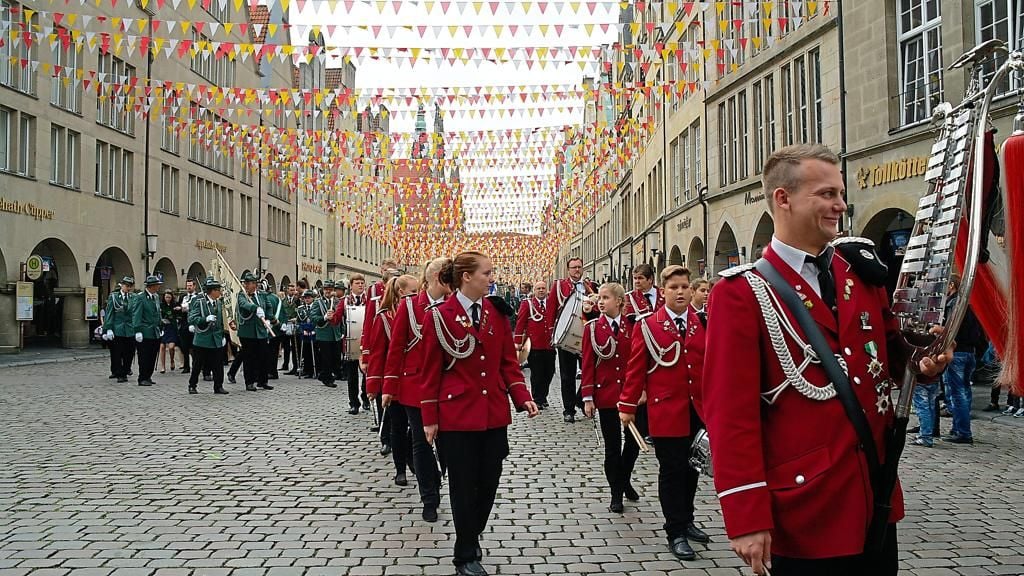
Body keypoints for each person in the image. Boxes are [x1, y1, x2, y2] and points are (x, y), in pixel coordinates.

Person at [702, 144, 953, 576]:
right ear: (784, 199)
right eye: (826, 194)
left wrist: (923, 362)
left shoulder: (860, 273)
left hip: (874, 494)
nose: (840, 204)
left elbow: (889, 355)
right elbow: (730, 416)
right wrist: (746, 516)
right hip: (805, 510)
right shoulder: (741, 294)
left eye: (840, 192)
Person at [419, 251, 539, 576]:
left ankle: (471, 534)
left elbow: (507, 364)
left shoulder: (496, 313)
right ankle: (465, 554)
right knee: (461, 484)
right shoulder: (440, 316)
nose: (491, 277)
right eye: (486, 273)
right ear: (466, 277)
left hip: (493, 413)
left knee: (489, 481)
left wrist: (522, 396)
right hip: (456, 415)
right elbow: (429, 371)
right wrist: (429, 417)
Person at [619, 265, 708, 561]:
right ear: (663, 291)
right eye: (674, 288)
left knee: (693, 468)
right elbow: (636, 369)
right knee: (672, 471)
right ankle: (675, 531)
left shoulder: (701, 322)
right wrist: (628, 406)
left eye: (685, 287)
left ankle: (688, 519)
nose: (681, 292)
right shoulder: (649, 325)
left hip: (698, 410)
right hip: (667, 410)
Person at [384, 259, 450, 522]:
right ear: (435, 276)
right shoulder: (410, 306)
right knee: (421, 442)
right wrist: (389, 386)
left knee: (446, 444)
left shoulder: (453, 306)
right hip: (415, 386)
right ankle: (429, 497)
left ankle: (439, 476)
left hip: (446, 386)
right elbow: (396, 348)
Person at [581, 282, 640, 514]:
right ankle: (617, 491)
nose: (601, 302)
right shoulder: (592, 328)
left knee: (634, 444)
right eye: (600, 298)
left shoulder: (634, 326)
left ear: (619, 301)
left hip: (631, 394)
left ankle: (623, 479)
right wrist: (587, 397)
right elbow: (587, 364)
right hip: (605, 394)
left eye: (606, 298)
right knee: (612, 447)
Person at [366, 274, 421, 480]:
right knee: (397, 427)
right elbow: (377, 353)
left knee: (415, 428)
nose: (418, 296)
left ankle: (412, 457)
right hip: (394, 381)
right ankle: (400, 469)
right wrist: (373, 385)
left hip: (414, 380)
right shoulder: (384, 317)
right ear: (401, 292)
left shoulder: (419, 311)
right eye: (413, 292)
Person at [546, 256, 595, 422]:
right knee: (567, 375)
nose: (577, 270)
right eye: (573, 267)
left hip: (587, 338)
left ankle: (580, 399)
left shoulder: (591, 287)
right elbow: (551, 311)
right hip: (566, 337)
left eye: (579, 267)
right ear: (568, 270)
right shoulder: (559, 286)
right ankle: (568, 410)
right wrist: (554, 335)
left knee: (591, 372)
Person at [513, 281, 555, 409]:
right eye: (538, 289)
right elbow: (520, 323)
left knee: (549, 372)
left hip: (550, 344)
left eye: (543, 288)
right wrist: (518, 342)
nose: (541, 290)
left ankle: (543, 395)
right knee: (537, 374)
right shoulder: (528, 304)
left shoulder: (552, 304)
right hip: (534, 345)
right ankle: (538, 398)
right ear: (534, 291)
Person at [187, 277, 228, 395]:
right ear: (212, 291)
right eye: (218, 290)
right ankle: (192, 385)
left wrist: (222, 336)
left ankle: (218, 386)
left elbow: (220, 322)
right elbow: (192, 318)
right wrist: (205, 319)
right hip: (203, 339)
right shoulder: (199, 302)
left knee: (218, 365)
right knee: (197, 364)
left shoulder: (219, 303)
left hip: (216, 339)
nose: (220, 292)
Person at [236, 271, 273, 392]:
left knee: (264, 356)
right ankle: (250, 382)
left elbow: (268, 307)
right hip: (248, 332)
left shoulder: (262, 295)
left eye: (254, 283)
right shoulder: (242, 295)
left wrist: (269, 319)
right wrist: (255, 308)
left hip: (261, 330)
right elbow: (243, 305)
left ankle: (263, 381)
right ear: (245, 284)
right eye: (250, 283)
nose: (253, 285)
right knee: (249, 358)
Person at [342, 274, 369, 414]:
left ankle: (366, 398)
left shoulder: (370, 300)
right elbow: (336, 319)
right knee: (352, 375)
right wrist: (329, 317)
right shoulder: (345, 301)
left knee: (366, 373)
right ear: (351, 285)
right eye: (357, 283)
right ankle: (353, 403)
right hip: (350, 342)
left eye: (362, 283)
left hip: (366, 342)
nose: (360, 285)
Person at [308, 281, 342, 388]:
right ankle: (327, 378)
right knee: (326, 358)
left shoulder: (337, 302)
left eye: (331, 289)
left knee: (335, 357)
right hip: (323, 334)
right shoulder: (318, 303)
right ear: (323, 290)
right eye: (326, 289)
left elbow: (342, 318)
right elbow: (313, 317)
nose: (328, 291)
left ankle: (324, 374)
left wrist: (343, 331)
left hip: (335, 334)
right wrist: (324, 318)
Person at [131, 275, 164, 387]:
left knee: (152, 355)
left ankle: (148, 376)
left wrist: (160, 326)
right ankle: (142, 377)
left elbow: (158, 313)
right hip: (145, 331)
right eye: (157, 285)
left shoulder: (155, 297)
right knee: (144, 356)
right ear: (152, 286)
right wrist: (137, 330)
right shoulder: (140, 297)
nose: (159, 287)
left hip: (154, 331)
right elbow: (137, 314)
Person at [103, 276, 136, 383]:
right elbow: (110, 313)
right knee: (117, 352)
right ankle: (119, 373)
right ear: (121, 285)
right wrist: (108, 328)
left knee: (129, 352)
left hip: (130, 329)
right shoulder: (114, 297)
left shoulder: (133, 297)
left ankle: (126, 370)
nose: (128, 288)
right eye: (127, 285)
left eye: (130, 286)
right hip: (118, 329)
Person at [622, 263, 664, 332]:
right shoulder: (628, 298)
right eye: (635, 278)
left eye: (640, 278)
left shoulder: (664, 295)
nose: (637, 281)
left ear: (650, 279)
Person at [177, 279, 199, 374]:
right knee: (184, 346)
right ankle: (186, 366)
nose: (188, 287)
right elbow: (179, 307)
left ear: (194, 286)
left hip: (194, 323)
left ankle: (196, 365)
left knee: (194, 346)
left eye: (190, 285)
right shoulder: (183, 297)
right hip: (184, 323)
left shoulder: (198, 297)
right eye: (187, 286)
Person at [159, 290, 181, 374]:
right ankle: (163, 366)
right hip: (164, 327)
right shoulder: (161, 305)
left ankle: (172, 360)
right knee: (162, 346)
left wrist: (177, 315)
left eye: (169, 297)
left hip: (172, 327)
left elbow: (179, 316)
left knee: (171, 347)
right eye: (166, 297)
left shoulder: (175, 305)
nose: (167, 299)